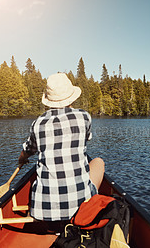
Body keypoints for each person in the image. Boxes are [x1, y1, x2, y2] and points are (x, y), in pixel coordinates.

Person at [18, 72, 105, 222]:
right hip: (79, 212)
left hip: (43, 214)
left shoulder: (38, 123)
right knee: (98, 162)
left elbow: (28, 150)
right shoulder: (84, 117)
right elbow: (86, 138)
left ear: (48, 100)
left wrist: (22, 159)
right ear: (72, 96)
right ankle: (89, 204)